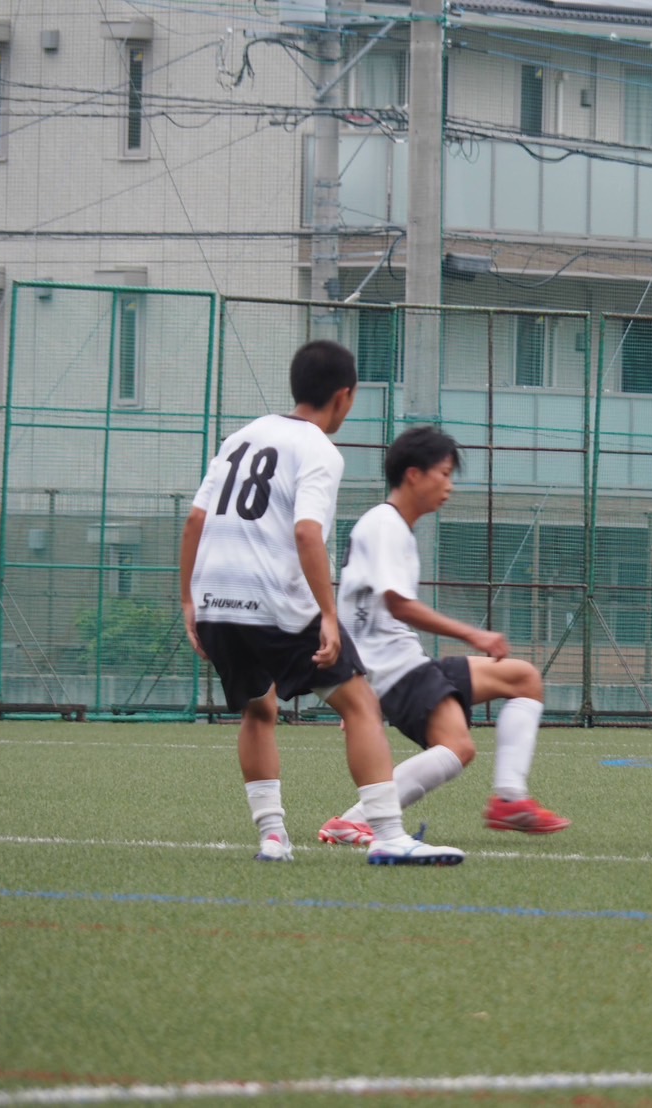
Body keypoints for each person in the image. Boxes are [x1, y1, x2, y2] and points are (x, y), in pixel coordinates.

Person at [179, 340, 464, 866]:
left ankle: (272, 837)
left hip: (217, 598)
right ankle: (387, 834)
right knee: (360, 704)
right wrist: (329, 616)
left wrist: (189, 602)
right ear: (344, 397)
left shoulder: (240, 437)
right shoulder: (319, 450)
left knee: (258, 708)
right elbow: (307, 533)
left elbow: (196, 520)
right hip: (273, 601)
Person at [317, 425, 569, 846]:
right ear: (414, 474)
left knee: (523, 679)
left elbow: (359, 606)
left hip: (401, 664)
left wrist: (356, 690)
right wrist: (474, 635)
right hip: (393, 669)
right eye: (445, 474)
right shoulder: (385, 525)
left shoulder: (393, 526)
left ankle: (509, 799)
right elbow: (398, 605)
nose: (449, 486)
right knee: (458, 747)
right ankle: (356, 819)